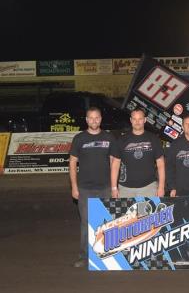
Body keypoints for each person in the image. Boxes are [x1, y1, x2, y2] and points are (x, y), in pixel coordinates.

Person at [69, 106, 117, 268]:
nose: (94, 120)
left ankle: (108, 255)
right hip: (84, 188)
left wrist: (114, 186)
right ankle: (84, 256)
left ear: (101, 119)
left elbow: (114, 162)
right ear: (86, 120)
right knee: (86, 223)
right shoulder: (79, 138)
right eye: (91, 118)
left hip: (105, 187)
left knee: (107, 223)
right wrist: (74, 187)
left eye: (97, 117)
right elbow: (72, 163)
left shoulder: (109, 137)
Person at [111, 108, 165, 198]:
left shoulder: (154, 139)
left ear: (144, 120)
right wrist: (113, 188)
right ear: (131, 120)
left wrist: (161, 187)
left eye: (140, 119)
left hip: (149, 187)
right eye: (134, 119)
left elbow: (161, 164)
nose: (137, 122)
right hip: (125, 189)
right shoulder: (122, 140)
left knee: (148, 212)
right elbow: (115, 165)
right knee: (127, 213)